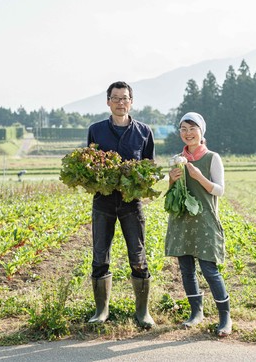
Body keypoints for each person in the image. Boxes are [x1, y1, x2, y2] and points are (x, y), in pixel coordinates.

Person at [86, 81, 156, 329]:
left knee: (138, 257)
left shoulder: (144, 131)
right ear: (108, 101)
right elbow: (88, 164)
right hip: (103, 203)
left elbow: (149, 167)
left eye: (124, 98)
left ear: (131, 101)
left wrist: (142, 183)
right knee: (99, 256)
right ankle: (101, 311)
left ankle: (142, 312)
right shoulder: (96, 130)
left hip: (131, 204)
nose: (120, 102)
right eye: (115, 98)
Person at [164, 112, 232, 337]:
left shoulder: (212, 158)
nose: (187, 133)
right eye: (183, 129)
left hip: (204, 221)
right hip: (182, 220)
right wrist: (172, 180)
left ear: (201, 131)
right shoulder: (177, 159)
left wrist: (199, 177)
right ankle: (196, 313)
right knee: (186, 269)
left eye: (192, 128)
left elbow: (219, 190)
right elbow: (171, 194)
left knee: (209, 270)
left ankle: (225, 318)